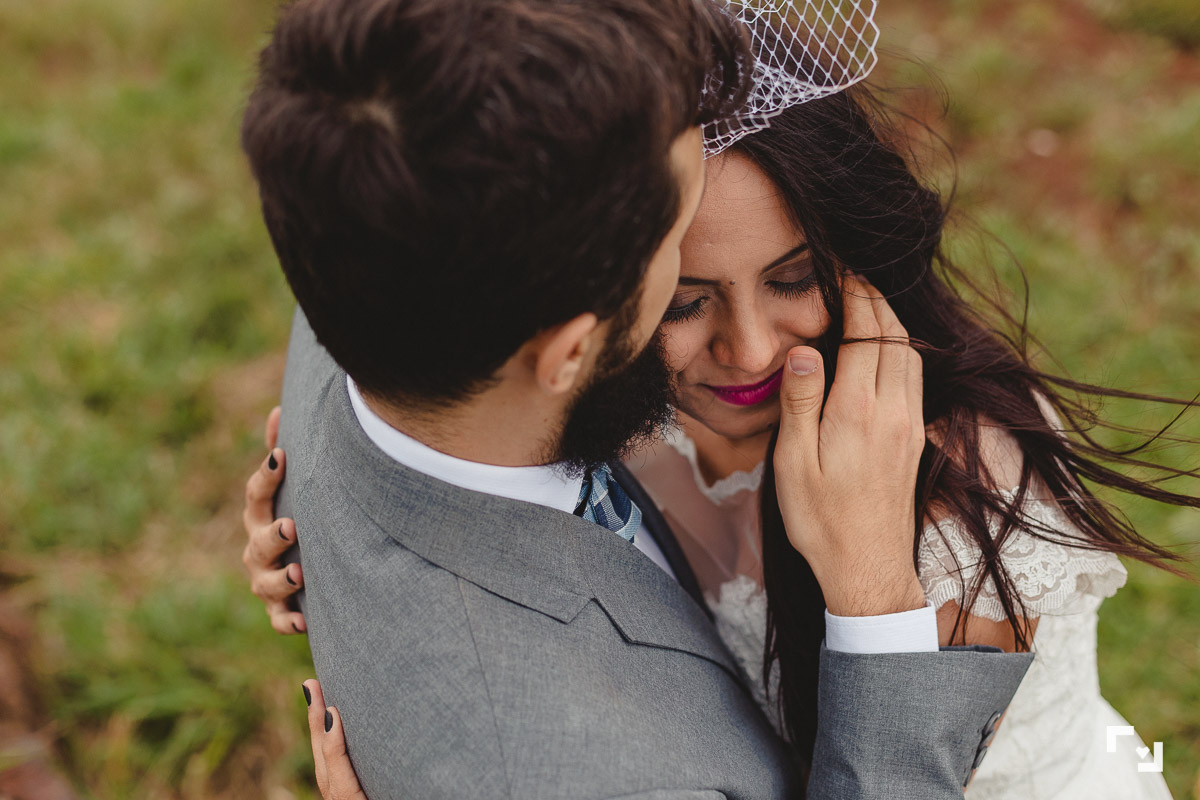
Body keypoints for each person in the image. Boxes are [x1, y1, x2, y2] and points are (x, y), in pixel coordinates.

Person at [246, 83, 1197, 797]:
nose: (748, 351)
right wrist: (334, 541)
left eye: (792, 279)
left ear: (856, 264)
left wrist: (871, 576)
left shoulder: (971, 483)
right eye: (686, 302)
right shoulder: (613, 400)